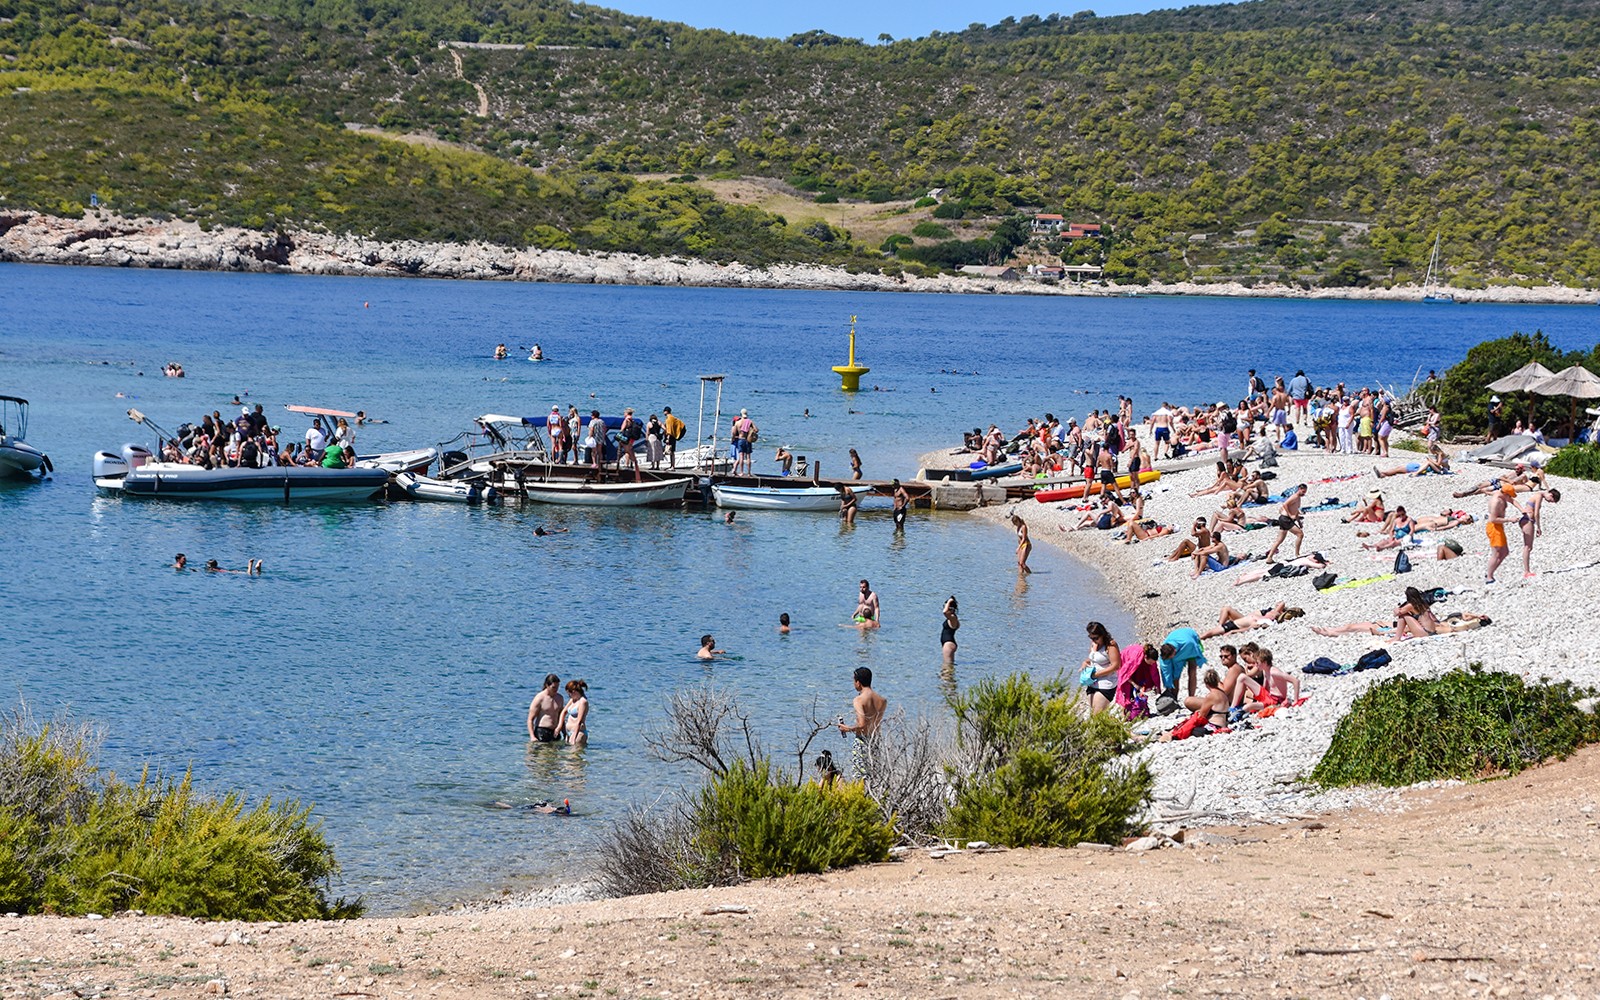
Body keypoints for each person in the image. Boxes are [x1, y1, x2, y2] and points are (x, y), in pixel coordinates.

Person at [1485, 483, 1526, 584]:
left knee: (1505, 552)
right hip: (1494, 527)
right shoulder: (1496, 501)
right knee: (1497, 553)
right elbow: (1493, 519)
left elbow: (1512, 501)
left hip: (1499, 527)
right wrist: (1509, 519)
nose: (1510, 497)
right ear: (1505, 494)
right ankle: (1489, 577)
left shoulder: (1502, 495)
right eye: (1509, 495)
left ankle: (1490, 572)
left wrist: (1522, 511)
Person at [1517, 486, 1560, 578]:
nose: (1549, 502)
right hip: (1528, 520)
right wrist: (1539, 527)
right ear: (1551, 495)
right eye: (1551, 500)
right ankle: (1526, 571)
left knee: (1528, 547)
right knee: (1527, 547)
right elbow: (1536, 513)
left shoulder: (1537, 495)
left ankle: (1527, 570)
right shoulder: (1539, 496)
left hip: (1526, 520)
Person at [1198, 602, 1298, 639]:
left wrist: (1233, 631)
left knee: (1210, 633)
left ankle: (1219, 628)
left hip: (1240, 623)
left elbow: (1249, 628)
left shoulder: (1272, 616)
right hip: (1243, 619)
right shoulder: (1269, 614)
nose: (1276, 604)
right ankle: (1220, 626)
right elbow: (1281, 603)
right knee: (1226, 608)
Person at [1081, 621, 1121, 714]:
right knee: (1093, 713)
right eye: (1091, 637)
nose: (1094, 640)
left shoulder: (1110, 645)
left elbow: (1116, 665)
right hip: (1092, 683)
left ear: (1102, 635)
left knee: (1097, 715)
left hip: (1106, 684)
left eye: (1096, 638)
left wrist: (1096, 674)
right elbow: (1093, 659)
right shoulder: (1093, 644)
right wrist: (1085, 662)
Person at [1157, 626, 1207, 699]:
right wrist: (1168, 685)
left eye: (1171, 657)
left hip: (1190, 641)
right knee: (1175, 675)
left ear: (1174, 652)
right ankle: (1174, 697)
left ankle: (1191, 697)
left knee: (1192, 670)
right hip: (1177, 638)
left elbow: (1196, 651)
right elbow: (1165, 670)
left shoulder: (1189, 644)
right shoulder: (1165, 652)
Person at [838, 666, 886, 739]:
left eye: (854, 681)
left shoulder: (859, 700)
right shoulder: (882, 700)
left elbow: (862, 724)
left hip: (862, 740)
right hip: (876, 739)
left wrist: (847, 728)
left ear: (858, 682)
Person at [526, 674, 564, 742]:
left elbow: (561, 717)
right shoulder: (539, 698)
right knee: (544, 752)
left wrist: (564, 733)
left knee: (556, 752)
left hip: (555, 732)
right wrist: (532, 736)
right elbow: (530, 719)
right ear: (547, 685)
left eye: (557, 687)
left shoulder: (560, 698)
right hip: (542, 731)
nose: (556, 689)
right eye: (553, 687)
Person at [561, 679, 588, 746]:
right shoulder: (572, 700)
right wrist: (559, 726)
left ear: (573, 692)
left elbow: (579, 721)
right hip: (569, 732)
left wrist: (574, 736)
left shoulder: (583, 702)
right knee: (568, 755)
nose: (569, 696)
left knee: (574, 755)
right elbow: (564, 712)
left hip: (578, 733)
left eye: (569, 694)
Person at [940, 596, 960, 663]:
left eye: (945, 606)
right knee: (947, 667)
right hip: (948, 643)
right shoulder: (952, 618)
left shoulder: (952, 618)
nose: (944, 608)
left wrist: (949, 601)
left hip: (948, 644)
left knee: (947, 666)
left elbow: (944, 612)